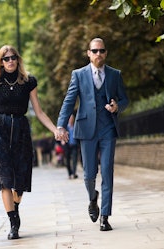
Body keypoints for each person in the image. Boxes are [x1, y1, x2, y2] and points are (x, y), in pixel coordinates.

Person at [0, 45, 67, 240]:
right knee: (4, 180)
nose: (10, 61)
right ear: (1, 62)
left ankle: (15, 207)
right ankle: (13, 222)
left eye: (13, 57)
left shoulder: (28, 81)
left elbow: (39, 111)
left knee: (19, 182)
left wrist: (55, 130)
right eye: (6, 58)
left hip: (20, 131)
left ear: (18, 59)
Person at [57, 38, 129, 231]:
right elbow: (69, 101)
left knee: (107, 171)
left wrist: (117, 107)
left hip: (107, 130)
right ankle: (92, 198)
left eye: (102, 51)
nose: (98, 54)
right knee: (89, 174)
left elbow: (124, 99)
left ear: (106, 53)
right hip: (86, 130)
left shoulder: (115, 75)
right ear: (88, 53)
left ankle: (105, 216)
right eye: (95, 51)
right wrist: (61, 126)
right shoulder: (78, 75)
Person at [64, 114, 79, 179]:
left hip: (75, 145)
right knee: (67, 160)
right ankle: (69, 173)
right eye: (70, 118)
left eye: (72, 118)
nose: (71, 120)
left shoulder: (76, 126)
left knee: (75, 159)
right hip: (67, 146)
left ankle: (74, 173)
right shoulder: (65, 128)